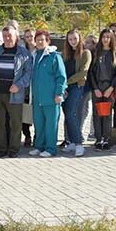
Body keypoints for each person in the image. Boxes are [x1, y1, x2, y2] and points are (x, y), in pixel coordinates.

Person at [0, 25, 32, 158]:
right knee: (0, 123)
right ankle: (1, 148)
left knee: (15, 123)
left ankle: (14, 149)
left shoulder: (23, 53)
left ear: (16, 37)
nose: (7, 38)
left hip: (15, 94)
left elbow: (29, 72)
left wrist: (19, 85)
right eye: (5, 36)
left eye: (10, 36)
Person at [29, 30, 66, 158]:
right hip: (37, 97)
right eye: (37, 39)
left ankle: (51, 148)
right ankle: (39, 146)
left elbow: (61, 77)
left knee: (51, 124)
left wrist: (59, 93)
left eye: (42, 40)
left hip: (51, 98)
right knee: (39, 123)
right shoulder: (33, 55)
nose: (39, 42)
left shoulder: (54, 56)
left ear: (47, 41)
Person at [88, 29, 116, 150]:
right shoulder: (96, 52)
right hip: (97, 88)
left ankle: (106, 138)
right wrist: (95, 88)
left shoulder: (114, 53)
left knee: (106, 114)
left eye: (108, 37)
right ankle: (98, 138)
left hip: (109, 88)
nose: (106, 39)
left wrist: (111, 88)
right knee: (97, 114)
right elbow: (91, 72)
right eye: (104, 37)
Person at [63, 29, 91, 157]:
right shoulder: (66, 53)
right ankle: (72, 142)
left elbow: (83, 72)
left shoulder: (85, 53)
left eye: (75, 38)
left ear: (79, 38)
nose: (73, 41)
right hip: (65, 87)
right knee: (67, 115)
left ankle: (79, 143)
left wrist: (68, 82)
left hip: (77, 86)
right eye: (70, 39)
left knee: (72, 114)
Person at [21, 27, 37, 147]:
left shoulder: (40, 50)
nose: (30, 39)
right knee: (25, 113)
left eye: (31, 36)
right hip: (25, 87)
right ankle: (27, 135)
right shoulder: (22, 51)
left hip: (37, 86)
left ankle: (38, 136)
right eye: (27, 36)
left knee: (37, 114)